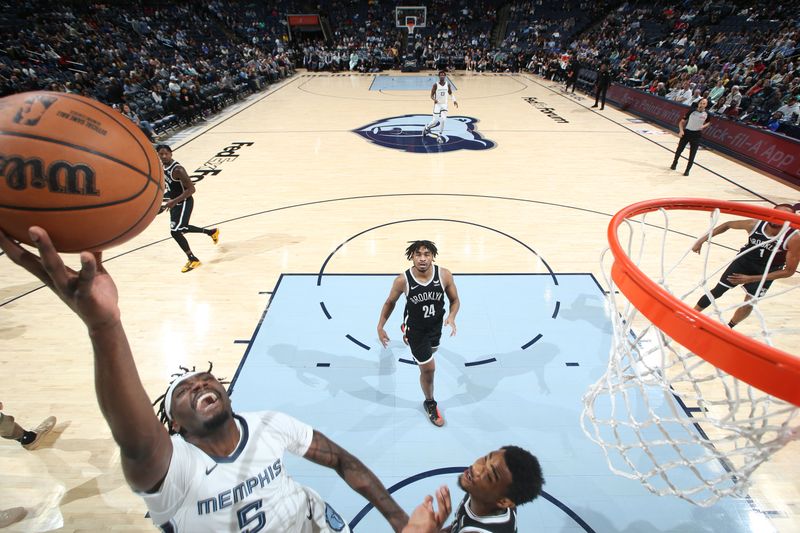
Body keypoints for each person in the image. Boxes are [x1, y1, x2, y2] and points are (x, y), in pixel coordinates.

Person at [0, 226, 410, 533]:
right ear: (173, 424)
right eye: (183, 389)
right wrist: (104, 326)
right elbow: (136, 436)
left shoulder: (270, 423)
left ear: (227, 393)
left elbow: (341, 459)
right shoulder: (171, 468)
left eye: (205, 380)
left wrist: (398, 519)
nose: (198, 385)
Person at [377, 240, 460, 427]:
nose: (422, 259)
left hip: (436, 326)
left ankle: (409, 336)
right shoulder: (402, 280)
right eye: (418, 255)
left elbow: (455, 300)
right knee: (429, 368)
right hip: (417, 329)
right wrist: (380, 326)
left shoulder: (444, 275)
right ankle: (430, 402)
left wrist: (452, 317)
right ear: (411, 257)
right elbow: (390, 302)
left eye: (426, 254)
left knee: (432, 351)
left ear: (432, 256)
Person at [692, 204, 800, 328]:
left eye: (783, 218)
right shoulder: (755, 224)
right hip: (744, 262)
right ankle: (692, 313)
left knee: (749, 303)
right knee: (717, 291)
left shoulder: (794, 238)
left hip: (768, 270)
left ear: (790, 220)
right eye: (776, 216)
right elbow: (727, 225)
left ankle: (729, 327)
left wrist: (750, 279)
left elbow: (789, 272)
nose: (777, 220)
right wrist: (701, 240)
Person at [445, 446, 544, 532]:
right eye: (485, 458)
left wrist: (432, 528)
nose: (476, 468)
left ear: (503, 501)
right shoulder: (480, 492)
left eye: (489, 476)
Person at [156, 145, 219, 273]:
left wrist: (173, 201)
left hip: (184, 201)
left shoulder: (178, 169)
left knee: (177, 231)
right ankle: (211, 232)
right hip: (174, 202)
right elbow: (171, 186)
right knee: (178, 230)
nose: (163, 156)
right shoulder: (162, 166)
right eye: (161, 154)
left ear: (171, 154)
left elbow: (191, 189)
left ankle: (193, 259)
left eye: (166, 153)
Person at [670, 97, 711, 176]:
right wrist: (681, 131)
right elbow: (681, 122)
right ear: (698, 103)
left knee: (692, 154)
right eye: (701, 103)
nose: (702, 105)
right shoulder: (692, 111)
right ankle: (674, 163)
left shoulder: (707, 114)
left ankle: (687, 170)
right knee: (679, 150)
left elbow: (708, 122)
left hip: (697, 135)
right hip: (687, 132)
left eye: (704, 103)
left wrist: (703, 126)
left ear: (706, 105)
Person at [423, 70, 459, 144]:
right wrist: (434, 99)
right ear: (439, 76)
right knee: (435, 121)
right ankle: (427, 127)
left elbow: (451, 93)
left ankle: (439, 136)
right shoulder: (435, 85)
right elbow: (431, 95)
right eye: (441, 75)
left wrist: (454, 100)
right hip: (437, 105)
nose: (442, 76)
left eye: (443, 75)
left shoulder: (447, 85)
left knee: (443, 120)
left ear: (445, 76)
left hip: (444, 105)